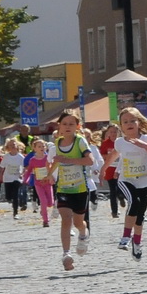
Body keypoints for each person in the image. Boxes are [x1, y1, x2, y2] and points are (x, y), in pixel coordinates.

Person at [50, 110, 100, 270]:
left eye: (71, 124)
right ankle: (66, 253)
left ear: (77, 127)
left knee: (78, 222)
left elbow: (90, 161)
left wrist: (68, 160)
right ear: (59, 126)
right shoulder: (57, 143)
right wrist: (49, 175)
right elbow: (56, 162)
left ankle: (84, 234)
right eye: (64, 124)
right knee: (65, 219)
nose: (67, 127)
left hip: (80, 189)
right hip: (63, 188)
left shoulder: (80, 142)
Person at [112, 108, 147, 259]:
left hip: (143, 181)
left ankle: (137, 243)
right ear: (121, 126)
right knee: (134, 202)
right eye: (125, 122)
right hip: (126, 180)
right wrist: (104, 169)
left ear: (139, 123)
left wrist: (144, 146)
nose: (129, 124)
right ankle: (125, 237)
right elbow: (116, 157)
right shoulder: (120, 142)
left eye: (132, 120)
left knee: (139, 217)